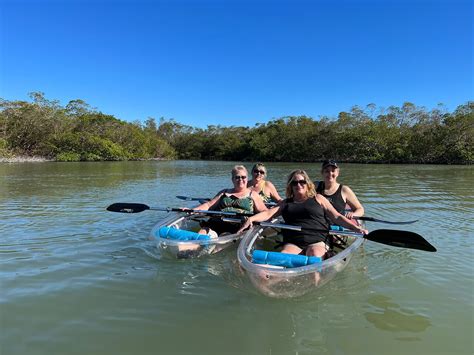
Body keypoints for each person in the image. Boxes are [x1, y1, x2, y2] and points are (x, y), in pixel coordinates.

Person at [238, 169, 367, 259]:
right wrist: (251, 219)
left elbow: (337, 217)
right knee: (283, 255)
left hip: (317, 240)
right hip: (293, 242)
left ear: (307, 184)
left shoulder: (319, 198)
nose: (298, 185)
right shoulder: (286, 203)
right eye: (295, 182)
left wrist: (355, 228)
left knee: (315, 254)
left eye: (302, 182)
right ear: (291, 186)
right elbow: (268, 214)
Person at [193, 165, 268, 236]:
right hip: (217, 224)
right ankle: (185, 247)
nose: (240, 179)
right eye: (237, 177)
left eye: (243, 177)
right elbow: (208, 205)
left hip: (239, 228)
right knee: (202, 232)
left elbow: (265, 212)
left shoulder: (253, 195)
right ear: (232, 179)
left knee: (224, 236)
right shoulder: (224, 192)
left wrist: (253, 219)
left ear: (247, 178)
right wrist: (193, 210)